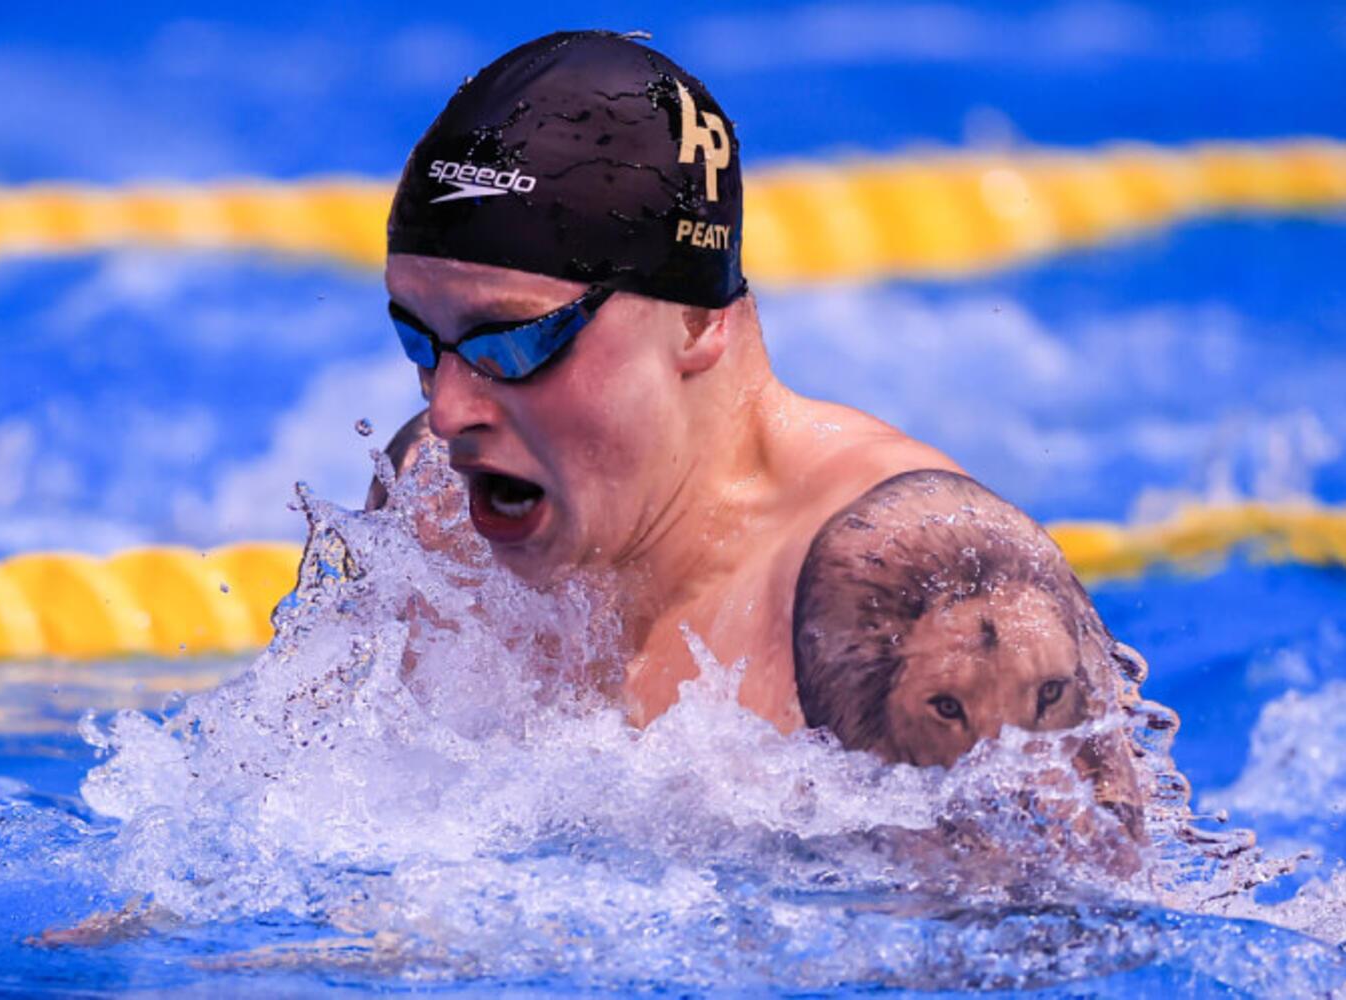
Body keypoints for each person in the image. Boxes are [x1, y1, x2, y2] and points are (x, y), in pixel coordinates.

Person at [381, 31, 1138, 780]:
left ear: (696, 321)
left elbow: (1063, 904)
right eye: (421, 342)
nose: (448, 412)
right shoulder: (427, 512)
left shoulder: (918, 591)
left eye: (513, 345)